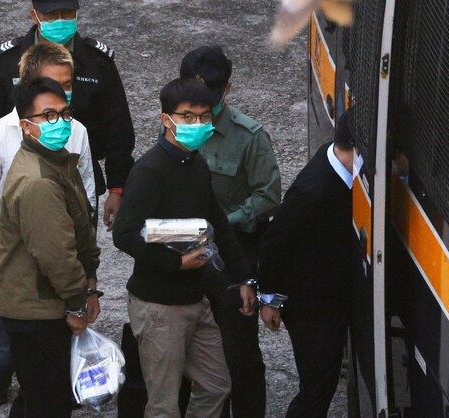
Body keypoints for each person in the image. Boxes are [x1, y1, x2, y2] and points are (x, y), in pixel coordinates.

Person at [113, 77, 257, 418]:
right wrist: (175, 264)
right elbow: (125, 234)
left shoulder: (195, 163)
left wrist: (244, 278)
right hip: (160, 307)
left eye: (205, 117)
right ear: (166, 119)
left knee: (216, 385)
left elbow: (217, 222)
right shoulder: (150, 171)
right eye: (188, 117)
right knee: (163, 405)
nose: (197, 124)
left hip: (196, 300)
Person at [0, 43, 94, 418]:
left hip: (53, 281)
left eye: (65, 107)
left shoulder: (70, 138)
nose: (60, 121)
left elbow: (83, 200)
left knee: (42, 384)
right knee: (7, 357)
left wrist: (84, 276)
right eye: (49, 114)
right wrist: (17, 244)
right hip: (24, 278)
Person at [0, 0, 133, 230]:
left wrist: (117, 188)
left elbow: (118, 127)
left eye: (67, 12)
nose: (60, 20)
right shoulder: (8, 61)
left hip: (76, 182)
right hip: (15, 188)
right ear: (34, 15)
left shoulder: (97, 62)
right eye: (52, 15)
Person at [179, 45, 281, 418]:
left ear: (228, 89)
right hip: (185, 249)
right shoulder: (177, 127)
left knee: (238, 352)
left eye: (209, 98)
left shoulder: (249, 136)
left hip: (233, 253)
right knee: (191, 347)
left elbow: (268, 196)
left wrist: (225, 222)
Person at [257, 110, 362, 417]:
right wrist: (271, 301)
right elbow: (274, 244)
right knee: (316, 388)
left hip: (329, 296)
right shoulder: (313, 192)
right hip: (310, 307)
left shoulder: (334, 162)